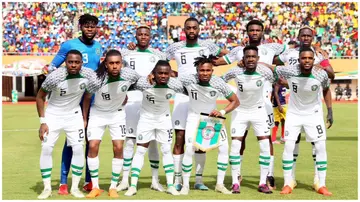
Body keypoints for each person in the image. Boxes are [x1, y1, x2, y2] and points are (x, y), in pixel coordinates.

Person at [214, 20, 286, 190]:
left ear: (263, 31)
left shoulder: (272, 48)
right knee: (241, 140)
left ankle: (268, 175)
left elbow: (287, 57)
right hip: (243, 101)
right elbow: (218, 62)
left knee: (267, 139)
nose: (254, 33)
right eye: (251, 30)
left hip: (264, 102)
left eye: (258, 30)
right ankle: (237, 175)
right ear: (247, 32)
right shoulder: (238, 51)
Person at [166, 17, 228, 191]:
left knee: (201, 141)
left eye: (194, 28)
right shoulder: (175, 47)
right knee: (179, 138)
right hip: (182, 97)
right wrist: (174, 74)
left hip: (201, 96)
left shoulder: (208, 46)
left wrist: (227, 60)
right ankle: (177, 179)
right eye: (188, 28)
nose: (191, 30)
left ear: (199, 29)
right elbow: (161, 63)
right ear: (184, 30)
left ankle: (198, 179)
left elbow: (225, 55)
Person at [43, 14, 102, 194]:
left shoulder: (98, 46)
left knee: (90, 143)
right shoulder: (69, 46)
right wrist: (51, 74)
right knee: (72, 143)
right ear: (81, 27)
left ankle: (89, 181)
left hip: (93, 102)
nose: (90, 29)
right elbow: (52, 67)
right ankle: (63, 182)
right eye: (86, 26)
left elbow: (99, 73)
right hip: (74, 102)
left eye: (93, 26)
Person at [274, 26, 335, 189]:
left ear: (313, 37)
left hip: (313, 111)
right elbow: (275, 65)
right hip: (294, 110)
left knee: (319, 145)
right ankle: (289, 181)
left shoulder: (318, 55)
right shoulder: (290, 53)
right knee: (290, 144)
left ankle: (319, 182)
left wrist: (322, 62)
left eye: (309, 35)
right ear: (299, 36)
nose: (306, 38)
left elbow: (331, 75)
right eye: (303, 35)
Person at [36, 50, 101, 199]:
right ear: (65, 62)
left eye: (76, 62)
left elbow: (95, 88)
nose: (73, 65)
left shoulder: (89, 75)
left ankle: (75, 188)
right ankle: (46, 188)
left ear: (81, 63)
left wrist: (84, 118)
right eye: (70, 62)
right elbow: (40, 97)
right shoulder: (55, 76)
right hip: (53, 115)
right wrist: (42, 122)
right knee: (46, 148)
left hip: (74, 115)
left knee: (78, 148)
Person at [81, 50, 140, 198]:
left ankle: (113, 186)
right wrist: (85, 118)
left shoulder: (129, 74)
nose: (115, 66)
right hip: (98, 113)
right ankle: (95, 186)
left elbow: (140, 82)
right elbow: (87, 97)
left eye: (117, 63)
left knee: (119, 147)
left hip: (117, 114)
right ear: (106, 64)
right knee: (93, 146)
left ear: (122, 63)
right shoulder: (96, 79)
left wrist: (124, 94)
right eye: (111, 63)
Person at [179, 55, 239, 195]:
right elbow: (171, 78)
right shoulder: (188, 79)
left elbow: (235, 101)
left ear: (212, 71)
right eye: (202, 70)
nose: (205, 73)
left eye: (208, 70)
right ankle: (185, 185)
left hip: (213, 120)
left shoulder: (218, 82)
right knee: (189, 149)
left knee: (224, 148)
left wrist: (222, 111)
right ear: (197, 70)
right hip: (194, 118)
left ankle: (219, 184)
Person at [117, 25, 167, 192]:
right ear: (136, 36)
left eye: (146, 34)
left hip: (153, 102)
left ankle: (155, 179)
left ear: (150, 36)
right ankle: (125, 179)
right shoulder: (126, 53)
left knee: (153, 142)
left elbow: (164, 76)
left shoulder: (159, 55)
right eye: (140, 34)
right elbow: (120, 75)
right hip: (132, 100)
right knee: (130, 141)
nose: (143, 37)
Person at [124, 60, 183, 196]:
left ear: (170, 74)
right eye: (159, 73)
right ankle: (133, 186)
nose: (163, 76)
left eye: (166, 73)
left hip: (164, 120)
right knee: (140, 151)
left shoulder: (175, 85)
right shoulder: (144, 83)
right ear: (153, 74)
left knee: (166, 150)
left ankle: (170, 185)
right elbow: (127, 84)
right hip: (146, 120)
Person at [221, 45, 275, 194]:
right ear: (243, 59)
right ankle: (235, 182)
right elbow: (220, 81)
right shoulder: (235, 71)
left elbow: (279, 77)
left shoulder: (264, 72)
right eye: (247, 57)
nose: (250, 59)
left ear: (257, 58)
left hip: (259, 111)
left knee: (265, 145)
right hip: (240, 111)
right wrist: (229, 95)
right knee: (236, 146)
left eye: (253, 57)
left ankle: (263, 182)